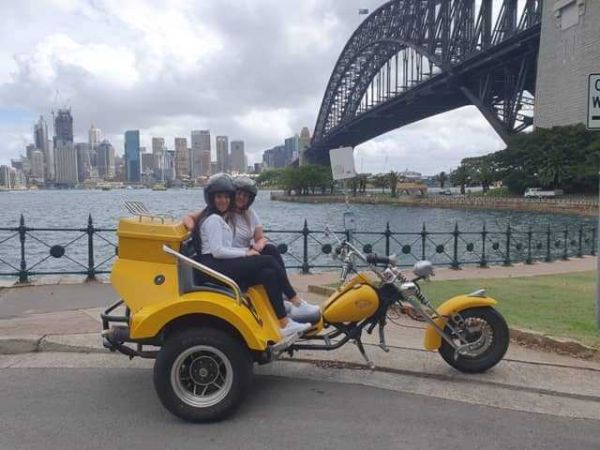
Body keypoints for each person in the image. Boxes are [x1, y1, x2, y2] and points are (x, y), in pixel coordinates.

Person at [183, 175, 320, 322]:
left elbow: (260, 237)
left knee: (270, 254)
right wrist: (192, 228)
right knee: (267, 262)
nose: (241, 198)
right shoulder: (218, 213)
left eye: (245, 195)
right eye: (239, 194)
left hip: (235, 257)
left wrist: (258, 245)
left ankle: (283, 310)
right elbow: (194, 220)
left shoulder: (248, 214)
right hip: (229, 259)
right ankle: (295, 300)